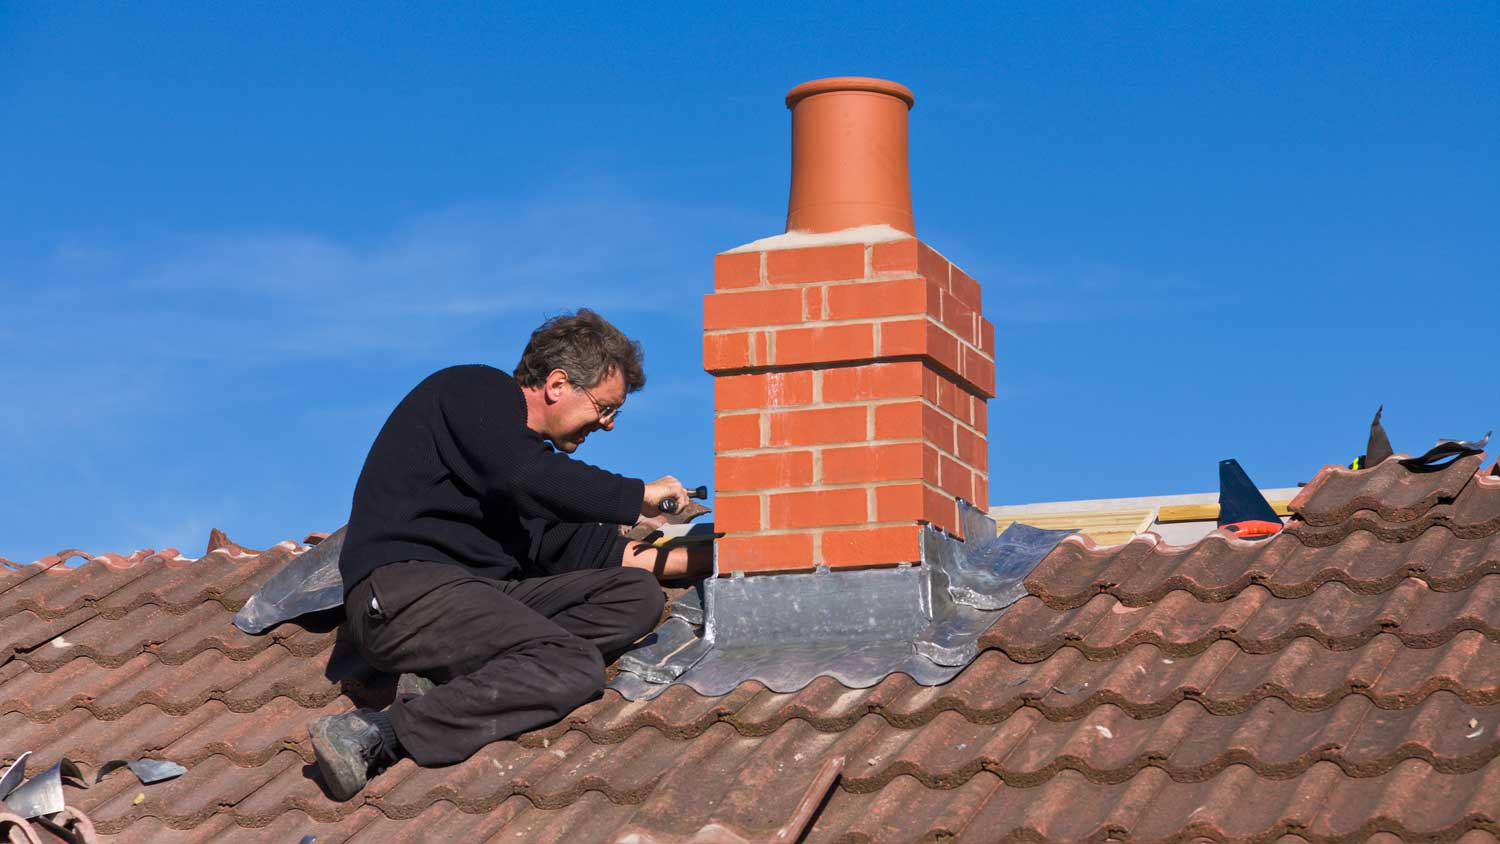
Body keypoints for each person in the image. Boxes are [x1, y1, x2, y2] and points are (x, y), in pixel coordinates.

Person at [309, 309, 712, 800]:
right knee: (575, 665)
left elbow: (585, 547)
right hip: (405, 593)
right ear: (558, 383)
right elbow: (526, 476)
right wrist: (638, 495)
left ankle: (461, 679)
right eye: (604, 408)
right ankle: (379, 734)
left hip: (482, 599)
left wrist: (710, 558)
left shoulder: (524, 474)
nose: (607, 426)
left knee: (635, 595)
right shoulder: (474, 393)